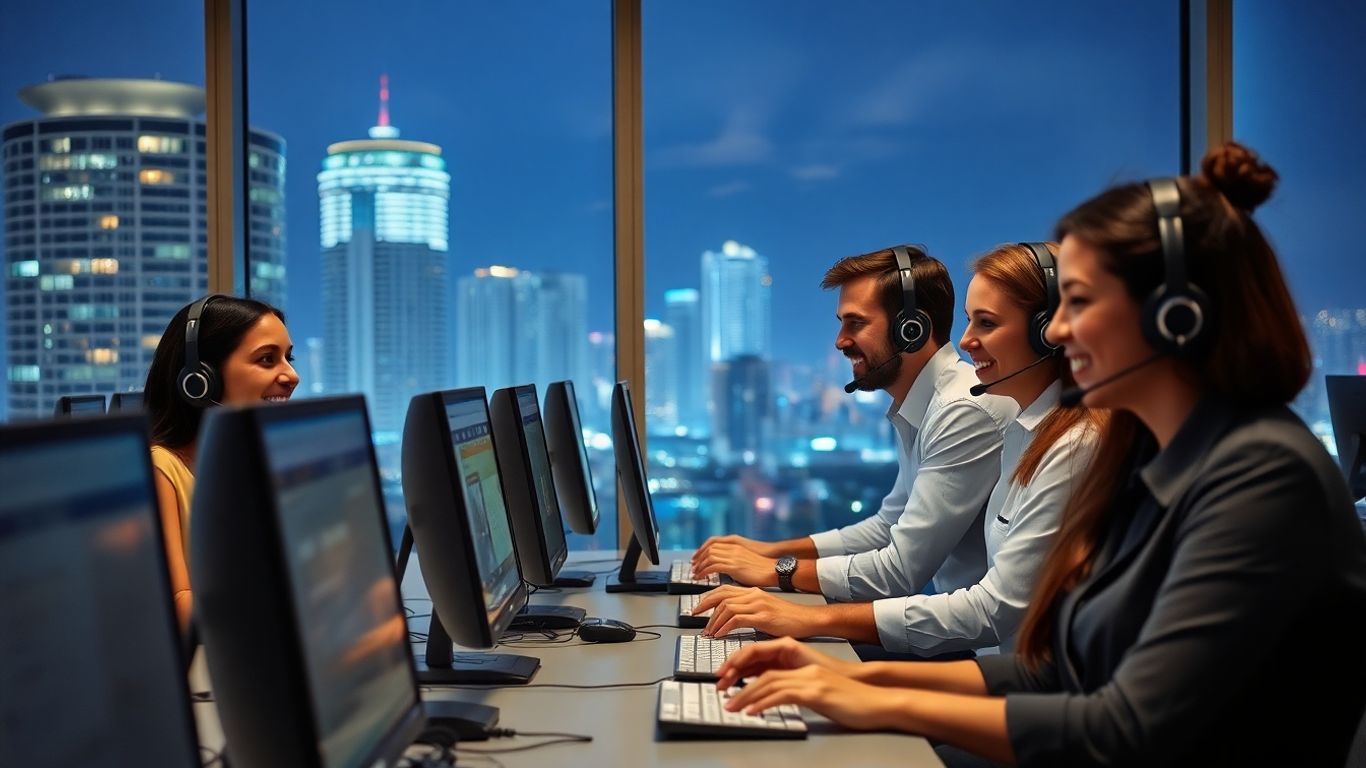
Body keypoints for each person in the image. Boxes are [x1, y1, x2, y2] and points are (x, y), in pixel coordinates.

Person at [712, 143, 1366, 766]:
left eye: (1078, 304)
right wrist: (846, 673)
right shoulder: (1155, 462)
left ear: (1176, 317)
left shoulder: (1262, 477)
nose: (1055, 330)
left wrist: (876, 699)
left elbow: (1124, 731)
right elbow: (1059, 665)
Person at [695, 243, 1106, 657]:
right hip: (987, 657)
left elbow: (914, 577)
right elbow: (887, 526)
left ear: (911, 328)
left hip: (988, 659)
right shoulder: (1013, 429)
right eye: (969, 322)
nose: (966, 341)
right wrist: (770, 554)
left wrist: (786, 583)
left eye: (986, 323)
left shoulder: (974, 413)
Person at [145, 294, 299, 629]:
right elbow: (178, 604)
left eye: (288, 358)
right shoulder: (160, 471)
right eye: (267, 360)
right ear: (200, 379)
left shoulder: (244, 466)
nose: (292, 376)